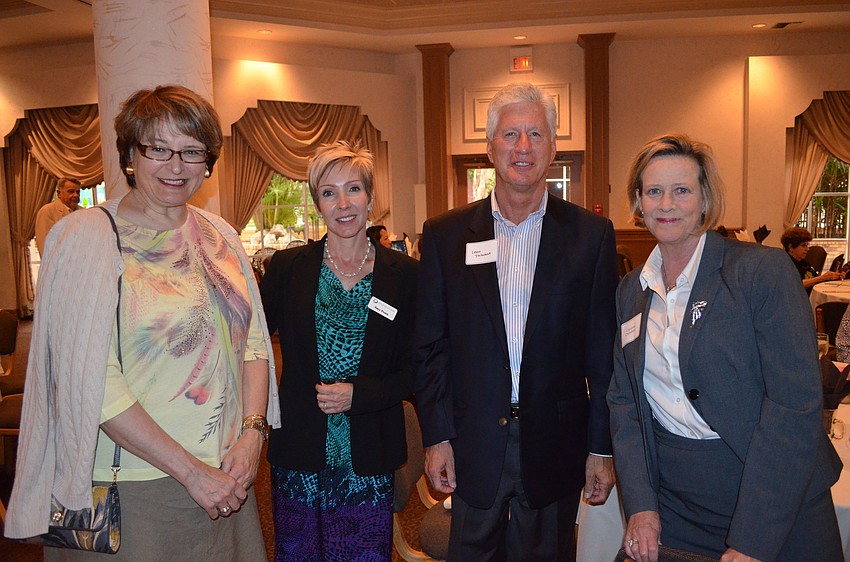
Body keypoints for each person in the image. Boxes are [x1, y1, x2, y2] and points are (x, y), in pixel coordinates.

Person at [5, 85, 281, 561]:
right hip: (135, 485)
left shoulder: (221, 235)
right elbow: (91, 379)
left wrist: (253, 434)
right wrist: (193, 473)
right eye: (159, 148)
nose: (176, 166)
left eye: (192, 151)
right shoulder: (87, 237)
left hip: (227, 473)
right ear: (130, 154)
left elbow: (254, 342)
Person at [609, 133, 842, 562]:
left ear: (705, 199)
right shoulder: (630, 291)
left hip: (773, 500)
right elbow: (625, 403)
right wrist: (641, 504)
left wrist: (752, 539)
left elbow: (793, 405)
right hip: (677, 505)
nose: (666, 204)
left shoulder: (760, 272)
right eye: (653, 191)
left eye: (681, 190)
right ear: (638, 203)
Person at [413, 82, 618, 561]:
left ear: (552, 148)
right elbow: (430, 347)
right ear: (489, 148)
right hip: (472, 445)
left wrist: (601, 448)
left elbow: (603, 354)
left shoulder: (591, 236)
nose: (522, 147)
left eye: (535, 134)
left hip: (556, 446)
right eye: (510, 135)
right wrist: (437, 435)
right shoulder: (445, 235)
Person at [259, 140, 419, 561]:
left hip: (367, 454)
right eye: (329, 192)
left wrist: (360, 394)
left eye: (354, 189)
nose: (343, 203)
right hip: (299, 452)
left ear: (370, 198)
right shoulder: (287, 270)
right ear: (317, 203)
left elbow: (417, 367)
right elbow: (253, 349)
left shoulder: (404, 276)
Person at [781, 226, 842, 292]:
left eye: (807, 245)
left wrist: (832, 277)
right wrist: (823, 278)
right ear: (791, 247)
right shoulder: (786, 264)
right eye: (803, 245)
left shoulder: (803, 262)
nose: (807, 249)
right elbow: (795, 285)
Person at [34, 177, 82, 255]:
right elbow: (44, 245)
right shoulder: (47, 211)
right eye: (71, 191)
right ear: (59, 193)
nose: (75, 195)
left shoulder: (84, 212)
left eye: (78, 192)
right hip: (60, 264)